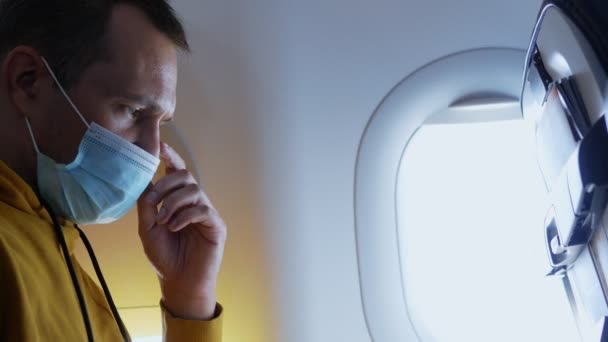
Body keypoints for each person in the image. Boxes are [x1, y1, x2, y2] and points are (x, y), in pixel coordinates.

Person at [0, 0, 226, 341]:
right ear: (27, 81)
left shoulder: (52, 242)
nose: (152, 151)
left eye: (161, 123)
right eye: (134, 111)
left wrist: (188, 297)